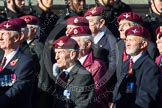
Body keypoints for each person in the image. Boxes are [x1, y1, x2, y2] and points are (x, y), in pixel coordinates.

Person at [112, 25, 161, 108]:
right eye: (127, 40)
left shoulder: (150, 67)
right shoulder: (126, 63)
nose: (127, 43)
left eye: (131, 40)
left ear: (143, 44)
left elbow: (146, 99)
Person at [67, 26, 109, 108]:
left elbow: (94, 94)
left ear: (88, 44)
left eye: (76, 42)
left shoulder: (97, 65)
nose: (73, 46)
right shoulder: (69, 62)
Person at [52, 36, 94, 108]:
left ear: (72, 54)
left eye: (60, 52)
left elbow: (83, 105)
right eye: (56, 53)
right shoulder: (62, 74)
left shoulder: (83, 76)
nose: (56, 57)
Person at [0, 18, 34, 108]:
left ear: (16, 38)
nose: (0, 38)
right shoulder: (1, 59)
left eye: (4, 34)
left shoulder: (25, 62)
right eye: (0, 34)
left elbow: (18, 88)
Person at [116, 12, 158, 82]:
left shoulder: (149, 47)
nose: (120, 29)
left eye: (125, 25)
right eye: (119, 25)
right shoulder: (118, 45)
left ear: (135, 28)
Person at [84, 6, 117, 93]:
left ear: (101, 22)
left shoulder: (111, 42)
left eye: (90, 21)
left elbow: (113, 70)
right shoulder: (85, 39)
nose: (86, 25)